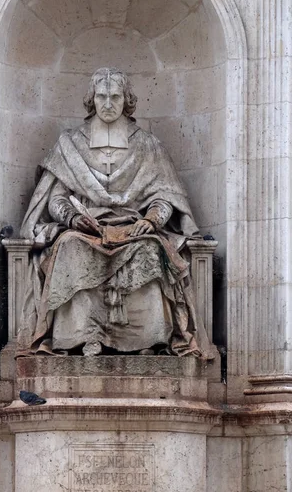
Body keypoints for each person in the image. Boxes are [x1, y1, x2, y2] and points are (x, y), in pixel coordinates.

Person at [17, 67, 212, 358]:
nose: (108, 104)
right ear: (91, 100)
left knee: (151, 249)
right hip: (85, 230)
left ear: (126, 101)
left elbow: (165, 195)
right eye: (102, 97)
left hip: (133, 228)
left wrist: (152, 219)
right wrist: (72, 218)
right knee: (69, 247)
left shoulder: (147, 145)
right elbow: (54, 199)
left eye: (115, 97)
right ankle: (82, 336)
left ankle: (148, 338)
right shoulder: (69, 144)